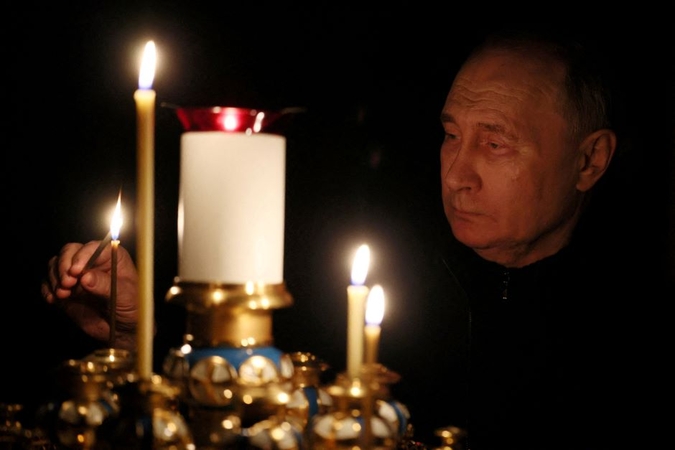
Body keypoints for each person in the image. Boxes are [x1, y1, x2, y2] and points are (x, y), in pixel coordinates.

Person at [39, 27, 660, 449]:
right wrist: (133, 334)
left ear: (589, 161)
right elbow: (229, 416)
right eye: (451, 136)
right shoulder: (355, 276)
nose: (457, 173)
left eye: (494, 143)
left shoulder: (632, 332)